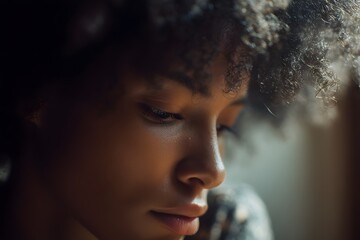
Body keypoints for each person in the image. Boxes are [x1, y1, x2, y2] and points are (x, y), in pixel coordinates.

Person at [0, 0, 358, 240]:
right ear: (38, 91)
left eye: (224, 126)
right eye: (163, 112)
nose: (215, 172)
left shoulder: (226, 227)